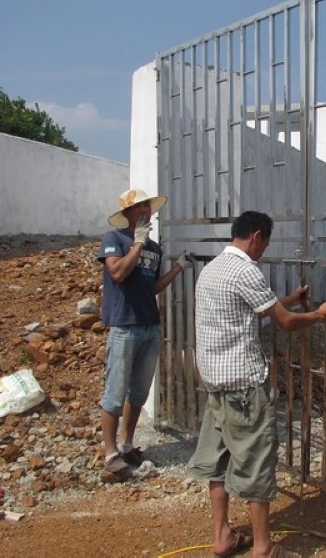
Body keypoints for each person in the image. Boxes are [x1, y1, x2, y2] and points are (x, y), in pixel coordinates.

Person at [187, 211, 326, 558]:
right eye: (265, 244)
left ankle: (222, 535)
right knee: (256, 464)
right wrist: (319, 315)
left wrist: (289, 298)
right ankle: (264, 547)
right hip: (244, 386)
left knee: (218, 463)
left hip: (215, 384)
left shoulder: (212, 269)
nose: (263, 252)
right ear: (256, 236)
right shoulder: (246, 270)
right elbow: (285, 324)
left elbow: (254, 309)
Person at [97, 188, 191, 476]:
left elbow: (151, 288)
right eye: (138, 207)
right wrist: (137, 244)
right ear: (126, 213)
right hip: (124, 325)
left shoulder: (155, 249)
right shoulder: (114, 239)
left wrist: (177, 268)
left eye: (147, 207)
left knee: (138, 391)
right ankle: (110, 453)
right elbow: (117, 273)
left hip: (150, 324)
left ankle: (127, 445)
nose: (144, 212)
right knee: (115, 392)